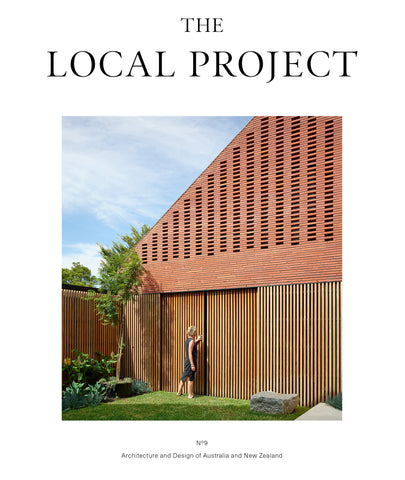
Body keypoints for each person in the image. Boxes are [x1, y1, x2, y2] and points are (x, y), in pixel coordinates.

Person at [177, 326, 202, 399]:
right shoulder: (191, 341)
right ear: (194, 333)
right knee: (191, 378)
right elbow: (190, 353)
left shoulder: (188, 340)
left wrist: (197, 340)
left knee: (184, 376)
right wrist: (192, 365)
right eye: (195, 331)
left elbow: (193, 344)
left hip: (187, 361)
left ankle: (179, 392)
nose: (196, 332)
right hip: (190, 361)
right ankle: (190, 395)